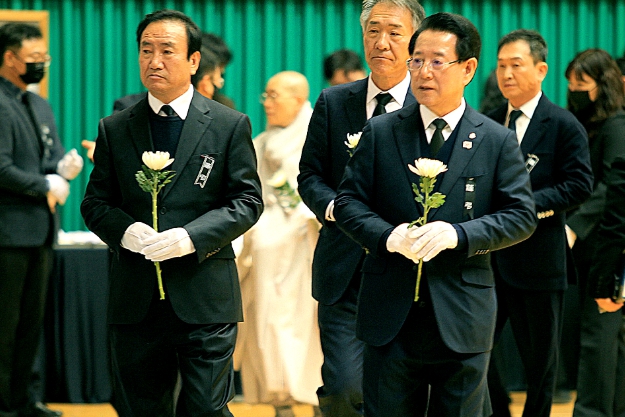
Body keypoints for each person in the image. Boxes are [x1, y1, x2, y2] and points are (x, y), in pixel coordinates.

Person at [334, 12, 537, 416]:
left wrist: (459, 235)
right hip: (389, 316)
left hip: (463, 315)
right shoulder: (381, 131)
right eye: (417, 61)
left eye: (437, 61)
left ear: (468, 68)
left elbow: (520, 216)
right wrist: (387, 236)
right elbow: (348, 203)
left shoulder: (495, 139)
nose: (424, 72)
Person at [80, 10, 262, 417]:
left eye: (167, 51)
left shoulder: (228, 124)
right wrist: (126, 231)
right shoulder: (115, 127)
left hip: (205, 293)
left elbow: (247, 201)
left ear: (194, 61)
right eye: (146, 50)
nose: (155, 61)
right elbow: (95, 203)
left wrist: (191, 237)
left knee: (206, 409)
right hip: (136, 299)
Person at [298, 0, 425, 415]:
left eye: (394, 32)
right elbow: (310, 175)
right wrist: (338, 209)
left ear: (414, 41)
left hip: (409, 271)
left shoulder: (430, 103)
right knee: (343, 389)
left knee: (401, 393)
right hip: (345, 267)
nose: (381, 42)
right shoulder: (334, 102)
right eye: (373, 31)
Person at [486, 29, 593, 417]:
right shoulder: (487, 123)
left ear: (541, 69)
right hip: (490, 260)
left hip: (540, 260)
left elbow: (579, 185)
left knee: (540, 366)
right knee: (477, 350)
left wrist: (527, 207)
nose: (507, 74)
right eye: (501, 66)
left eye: (516, 65)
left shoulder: (562, 124)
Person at [0, 23, 83, 417]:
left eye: (44, 58)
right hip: (7, 232)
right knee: (4, 323)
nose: (42, 64)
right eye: (34, 58)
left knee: (31, 323)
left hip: (41, 230)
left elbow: (49, 156)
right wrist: (43, 183)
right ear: (9, 58)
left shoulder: (38, 103)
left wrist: (62, 168)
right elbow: (1, 168)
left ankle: (24, 399)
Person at [234, 71, 322, 412]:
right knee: (266, 320)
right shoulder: (261, 142)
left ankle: (316, 399)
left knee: (307, 328)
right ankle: (278, 402)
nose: (267, 104)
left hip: (307, 246)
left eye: (274, 96)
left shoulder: (317, 136)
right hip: (266, 246)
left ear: (298, 100)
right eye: (265, 96)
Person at [563, 48, 625, 417]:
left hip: (608, 246)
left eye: (581, 84)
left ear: (603, 85)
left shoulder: (616, 126)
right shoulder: (586, 125)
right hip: (591, 244)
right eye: (570, 84)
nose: (574, 91)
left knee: (598, 333)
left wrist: (573, 226)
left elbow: (611, 189)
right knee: (608, 336)